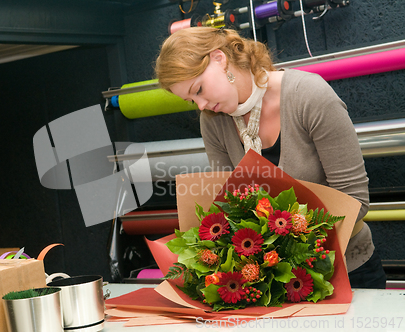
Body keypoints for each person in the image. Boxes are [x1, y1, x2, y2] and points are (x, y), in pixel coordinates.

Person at [155, 27, 386, 289]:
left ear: (220, 58)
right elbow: (229, 207)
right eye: (190, 100)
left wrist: (278, 240)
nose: (201, 105)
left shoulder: (309, 96)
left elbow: (355, 201)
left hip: (348, 270)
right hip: (272, 280)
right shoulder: (212, 121)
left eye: (199, 89)